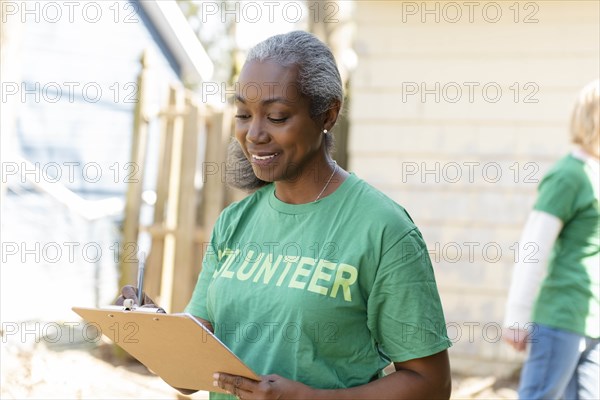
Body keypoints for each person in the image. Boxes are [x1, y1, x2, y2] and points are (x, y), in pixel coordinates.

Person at [121, 30, 452, 399]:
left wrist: (312, 398)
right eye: (244, 115)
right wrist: (155, 331)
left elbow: (431, 384)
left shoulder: (383, 229)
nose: (254, 134)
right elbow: (191, 376)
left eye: (277, 116)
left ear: (327, 114)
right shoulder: (235, 222)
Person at [503, 79, 600, 399]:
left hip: (593, 320)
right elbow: (534, 246)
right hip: (561, 317)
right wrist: (517, 316)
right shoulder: (568, 175)